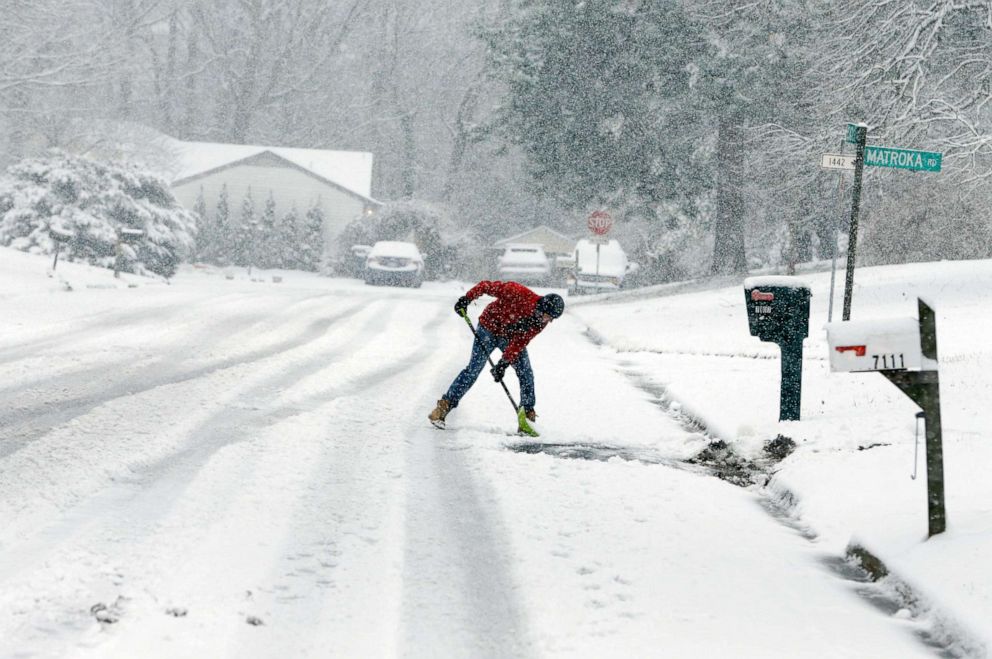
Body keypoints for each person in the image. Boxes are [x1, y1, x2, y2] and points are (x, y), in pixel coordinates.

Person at [429, 281, 565, 430]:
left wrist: (503, 364)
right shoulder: (517, 292)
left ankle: (527, 417)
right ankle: (442, 409)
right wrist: (467, 299)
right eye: (548, 316)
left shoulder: (539, 322)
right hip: (488, 328)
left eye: (552, 318)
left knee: (526, 372)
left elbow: (520, 342)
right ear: (542, 308)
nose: (549, 321)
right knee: (473, 370)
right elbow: (486, 286)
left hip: (509, 338)